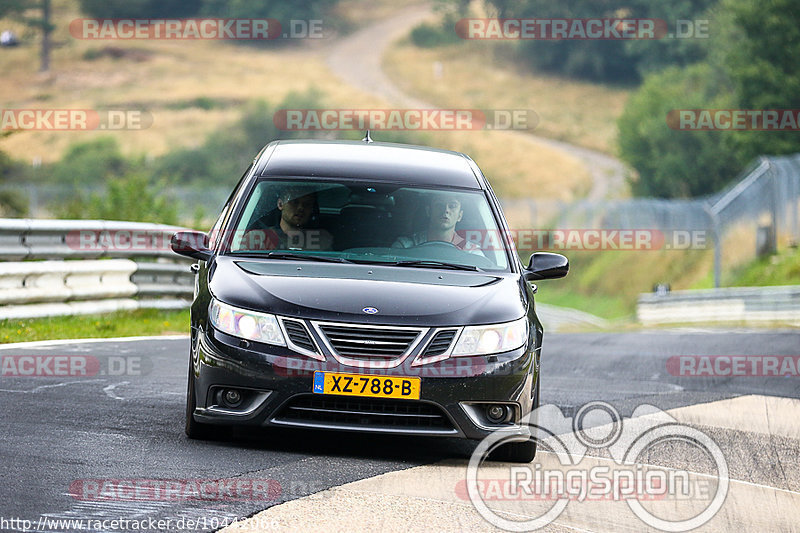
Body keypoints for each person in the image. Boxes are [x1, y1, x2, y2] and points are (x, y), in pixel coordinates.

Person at [392, 194, 483, 255]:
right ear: (428, 211)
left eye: (452, 206)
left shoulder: (471, 253)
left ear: (460, 215)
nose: (446, 210)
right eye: (439, 205)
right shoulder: (405, 247)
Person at [263, 187, 333, 251]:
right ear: (280, 204)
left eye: (307, 204)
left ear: (312, 209)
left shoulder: (321, 241)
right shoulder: (263, 238)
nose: (301, 208)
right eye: (294, 202)